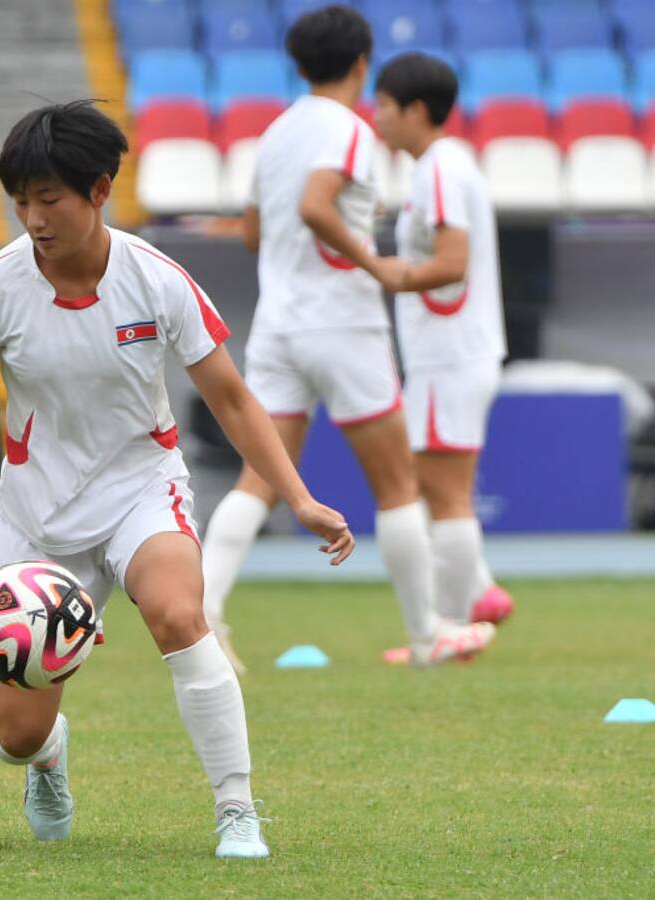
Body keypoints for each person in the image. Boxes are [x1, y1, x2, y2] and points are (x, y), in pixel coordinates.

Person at [0, 100, 355, 859]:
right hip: (39, 515)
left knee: (179, 615)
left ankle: (236, 809)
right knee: (15, 738)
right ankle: (48, 759)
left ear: (99, 190)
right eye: (21, 201)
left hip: (142, 490)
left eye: (49, 199)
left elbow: (232, 397)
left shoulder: (157, 280)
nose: (33, 219)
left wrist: (300, 497)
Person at [199, 4, 495, 671]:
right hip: (344, 323)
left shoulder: (275, 133)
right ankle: (427, 635)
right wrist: (373, 261)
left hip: (278, 323)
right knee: (396, 485)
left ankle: (207, 613)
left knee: (259, 479)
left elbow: (255, 233)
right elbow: (316, 205)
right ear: (361, 63)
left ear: (298, 63)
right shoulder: (350, 130)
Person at [371, 52, 514, 662]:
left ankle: (451, 627)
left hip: (448, 356)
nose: (377, 117)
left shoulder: (438, 170)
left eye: (384, 105)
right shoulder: (446, 166)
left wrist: (387, 272)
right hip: (454, 354)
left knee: (445, 494)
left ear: (416, 110)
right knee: (437, 488)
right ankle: (475, 598)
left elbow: (452, 263)